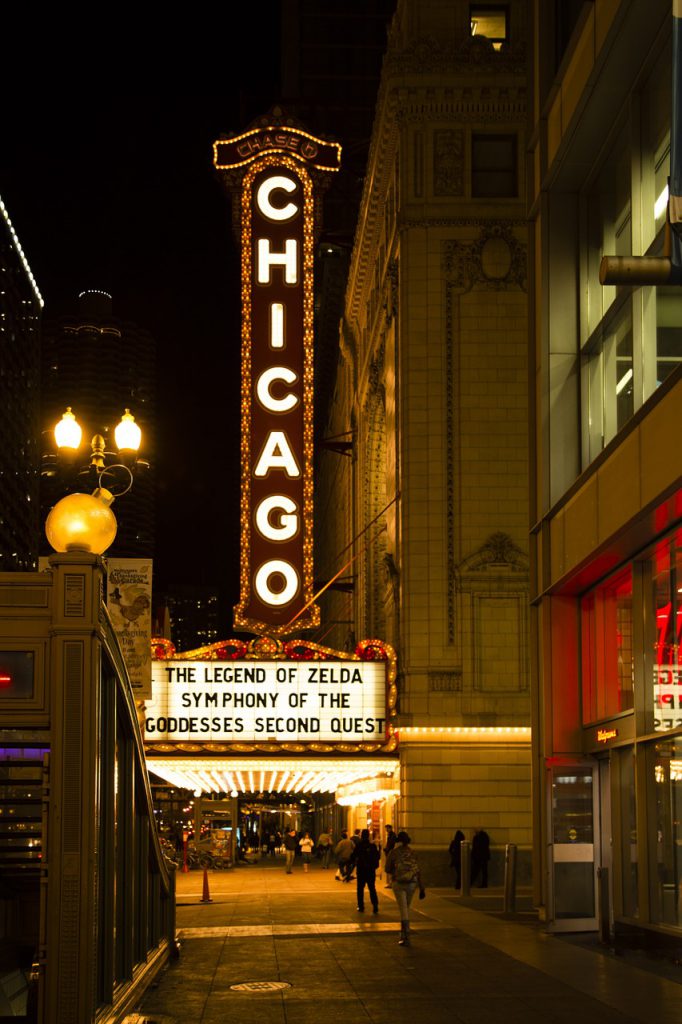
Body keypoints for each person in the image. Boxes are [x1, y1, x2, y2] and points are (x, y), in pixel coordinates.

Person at [385, 830, 425, 946]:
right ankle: (403, 934)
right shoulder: (412, 852)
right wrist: (422, 887)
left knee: (403, 909)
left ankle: (406, 935)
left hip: (398, 883)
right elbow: (417, 870)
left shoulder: (394, 852)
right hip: (412, 883)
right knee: (406, 907)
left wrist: (395, 872)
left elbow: (387, 869)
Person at [350, 828, 380, 913]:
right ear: (368, 836)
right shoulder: (372, 846)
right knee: (372, 888)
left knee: (360, 889)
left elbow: (353, 856)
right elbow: (378, 856)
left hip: (361, 870)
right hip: (370, 870)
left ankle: (361, 906)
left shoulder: (359, 846)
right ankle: (375, 905)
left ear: (362, 836)